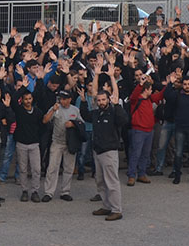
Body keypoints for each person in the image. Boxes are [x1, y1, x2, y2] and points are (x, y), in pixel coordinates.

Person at [82, 62, 126, 221]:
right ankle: (107, 206)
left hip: (109, 151)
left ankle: (116, 209)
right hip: (97, 151)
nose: (100, 102)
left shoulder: (114, 112)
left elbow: (123, 120)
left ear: (109, 99)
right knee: (100, 181)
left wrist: (112, 78)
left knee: (112, 182)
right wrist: (97, 74)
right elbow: (93, 93)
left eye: (103, 99)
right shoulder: (96, 113)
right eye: (99, 100)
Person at [41, 90, 82, 202]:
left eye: (64, 99)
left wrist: (73, 124)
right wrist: (53, 110)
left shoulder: (75, 110)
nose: (62, 101)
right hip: (57, 142)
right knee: (52, 168)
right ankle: (48, 192)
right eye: (60, 98)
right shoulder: (55, 107)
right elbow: (45, 120)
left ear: (69, 99)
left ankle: (65, 191)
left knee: (69, 168)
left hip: (70, 143)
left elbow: (80, 124)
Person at [11, 89, 45, 202]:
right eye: (25, 99)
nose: (28, 101)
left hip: (34, 144)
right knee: (23, 169)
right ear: (22, 100)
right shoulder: (19, 110)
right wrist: (23, 88)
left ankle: (35, 191)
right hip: (21, 143)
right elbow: (14, 100)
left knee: (36, 169)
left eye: (30, 99)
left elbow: (42, 125)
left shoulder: (38, 112)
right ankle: (24, 190)